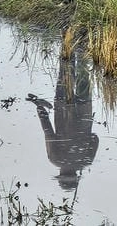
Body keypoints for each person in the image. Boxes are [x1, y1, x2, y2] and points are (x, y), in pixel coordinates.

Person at [27, 48, 99, 191]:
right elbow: (48, 131)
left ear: (75, 175)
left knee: (83, 76)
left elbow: (95, 138)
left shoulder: (86, 161)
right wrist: (39, 107)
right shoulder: (55, 159)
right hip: (62, 108)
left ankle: (82, 48)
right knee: (65, 72)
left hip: (84, 112)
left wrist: (82, 137)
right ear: (61, 174)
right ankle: (69, 47)